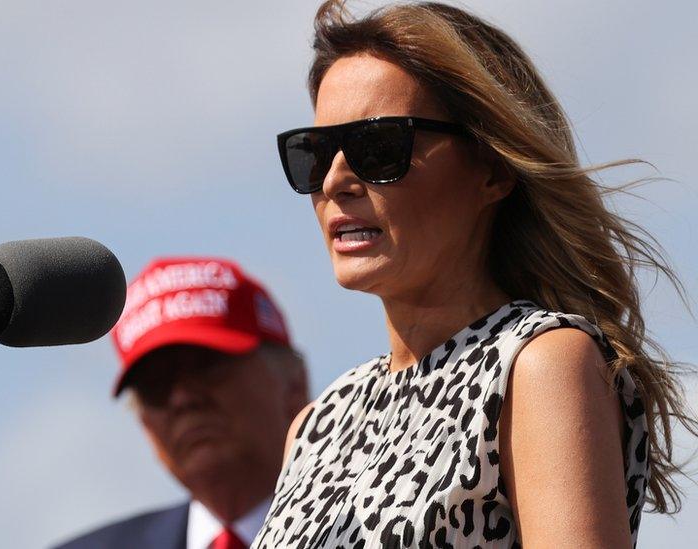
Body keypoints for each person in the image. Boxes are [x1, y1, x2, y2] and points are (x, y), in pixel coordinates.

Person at [254, 2, 694, 548]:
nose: (337, 180)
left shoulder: (538, 364)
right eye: (315, 154)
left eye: (379, 147)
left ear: (492, 168)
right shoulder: (318, 426)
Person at [54, 257, 309, 549]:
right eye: (154, 385)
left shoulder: (365, 527)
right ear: (144, 422)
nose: (181, 399)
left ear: (293, 385)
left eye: (207, 366)